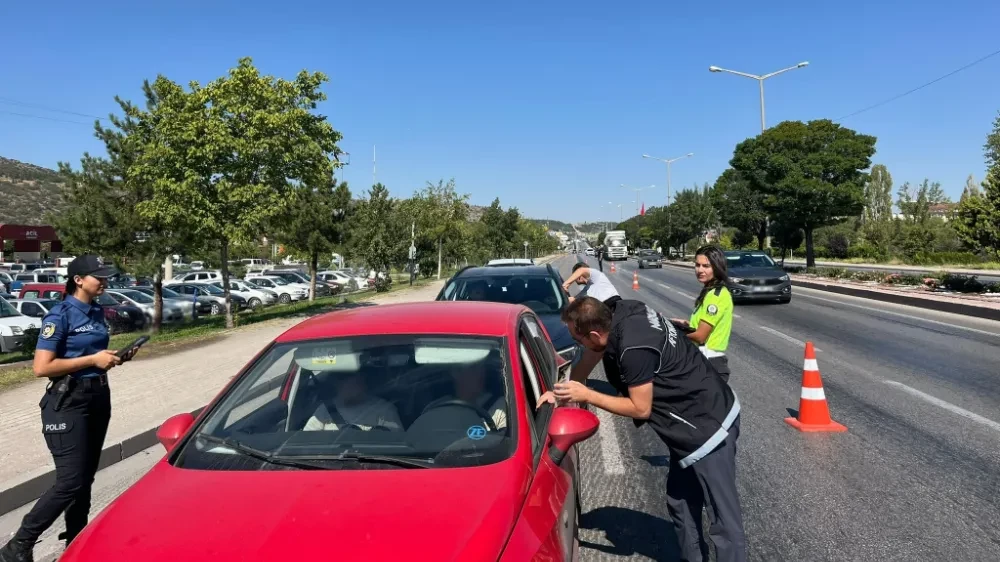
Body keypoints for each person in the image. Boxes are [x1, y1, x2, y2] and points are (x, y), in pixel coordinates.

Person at [543, 296, 745, 562]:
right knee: (681, 502)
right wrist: (563, 394)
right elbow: (593, 352)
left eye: (578, 340)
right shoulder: (617, 311)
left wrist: (589, 395)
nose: (579, 346)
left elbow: (640, 408)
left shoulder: (633, 348)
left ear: (594, 332)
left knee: (722, 518)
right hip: (687, 428)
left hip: (707, 426)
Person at [1, 255, 137, 562]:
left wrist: (112, 358)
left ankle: (77, 539)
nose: (104, 281)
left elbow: (93, 354)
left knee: (85, 478)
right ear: (78, 280)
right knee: (70, 480)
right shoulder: (59, 315)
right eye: (98, 276)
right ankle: (18, 546)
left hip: (98, 397)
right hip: (67, 402)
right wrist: (91, 360)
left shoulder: (96, 310)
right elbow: (41, 367)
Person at [670, 245, 734, 383]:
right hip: (702, 361)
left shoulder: (716, 296)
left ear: (717, 267)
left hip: (709, 364)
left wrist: (672, 333)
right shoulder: (710, 291)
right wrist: (684, 325)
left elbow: (700, 336)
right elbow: (699, 327)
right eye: (697, 265)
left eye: (706, 266)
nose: (700, 270)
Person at [304, 370, 403, 432]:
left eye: (351, 382)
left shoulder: (384, 409)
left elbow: (398, 443)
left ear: (362, 382)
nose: (344, 386)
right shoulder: (325, 409)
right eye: (341, 381)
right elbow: (307, 440)